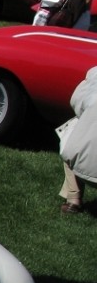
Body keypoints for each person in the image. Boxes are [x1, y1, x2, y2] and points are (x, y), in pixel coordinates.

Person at [57, 66, 97, 214]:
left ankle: (73, 200)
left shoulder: (95, 74)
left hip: (83, 167)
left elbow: (76, 102)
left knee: (71, 129)